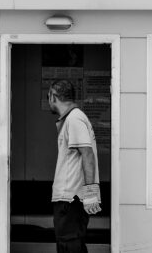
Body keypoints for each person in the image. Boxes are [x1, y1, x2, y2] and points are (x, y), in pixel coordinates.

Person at [46, 79, 101, 253]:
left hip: (71, 200)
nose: (48, 100)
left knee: (69, 247)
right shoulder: (73, 118)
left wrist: (91, 194)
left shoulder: (74, 119)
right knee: (72, 246)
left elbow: (88, 154)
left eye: (48, 96)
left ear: (54, 96)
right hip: (71, 200)